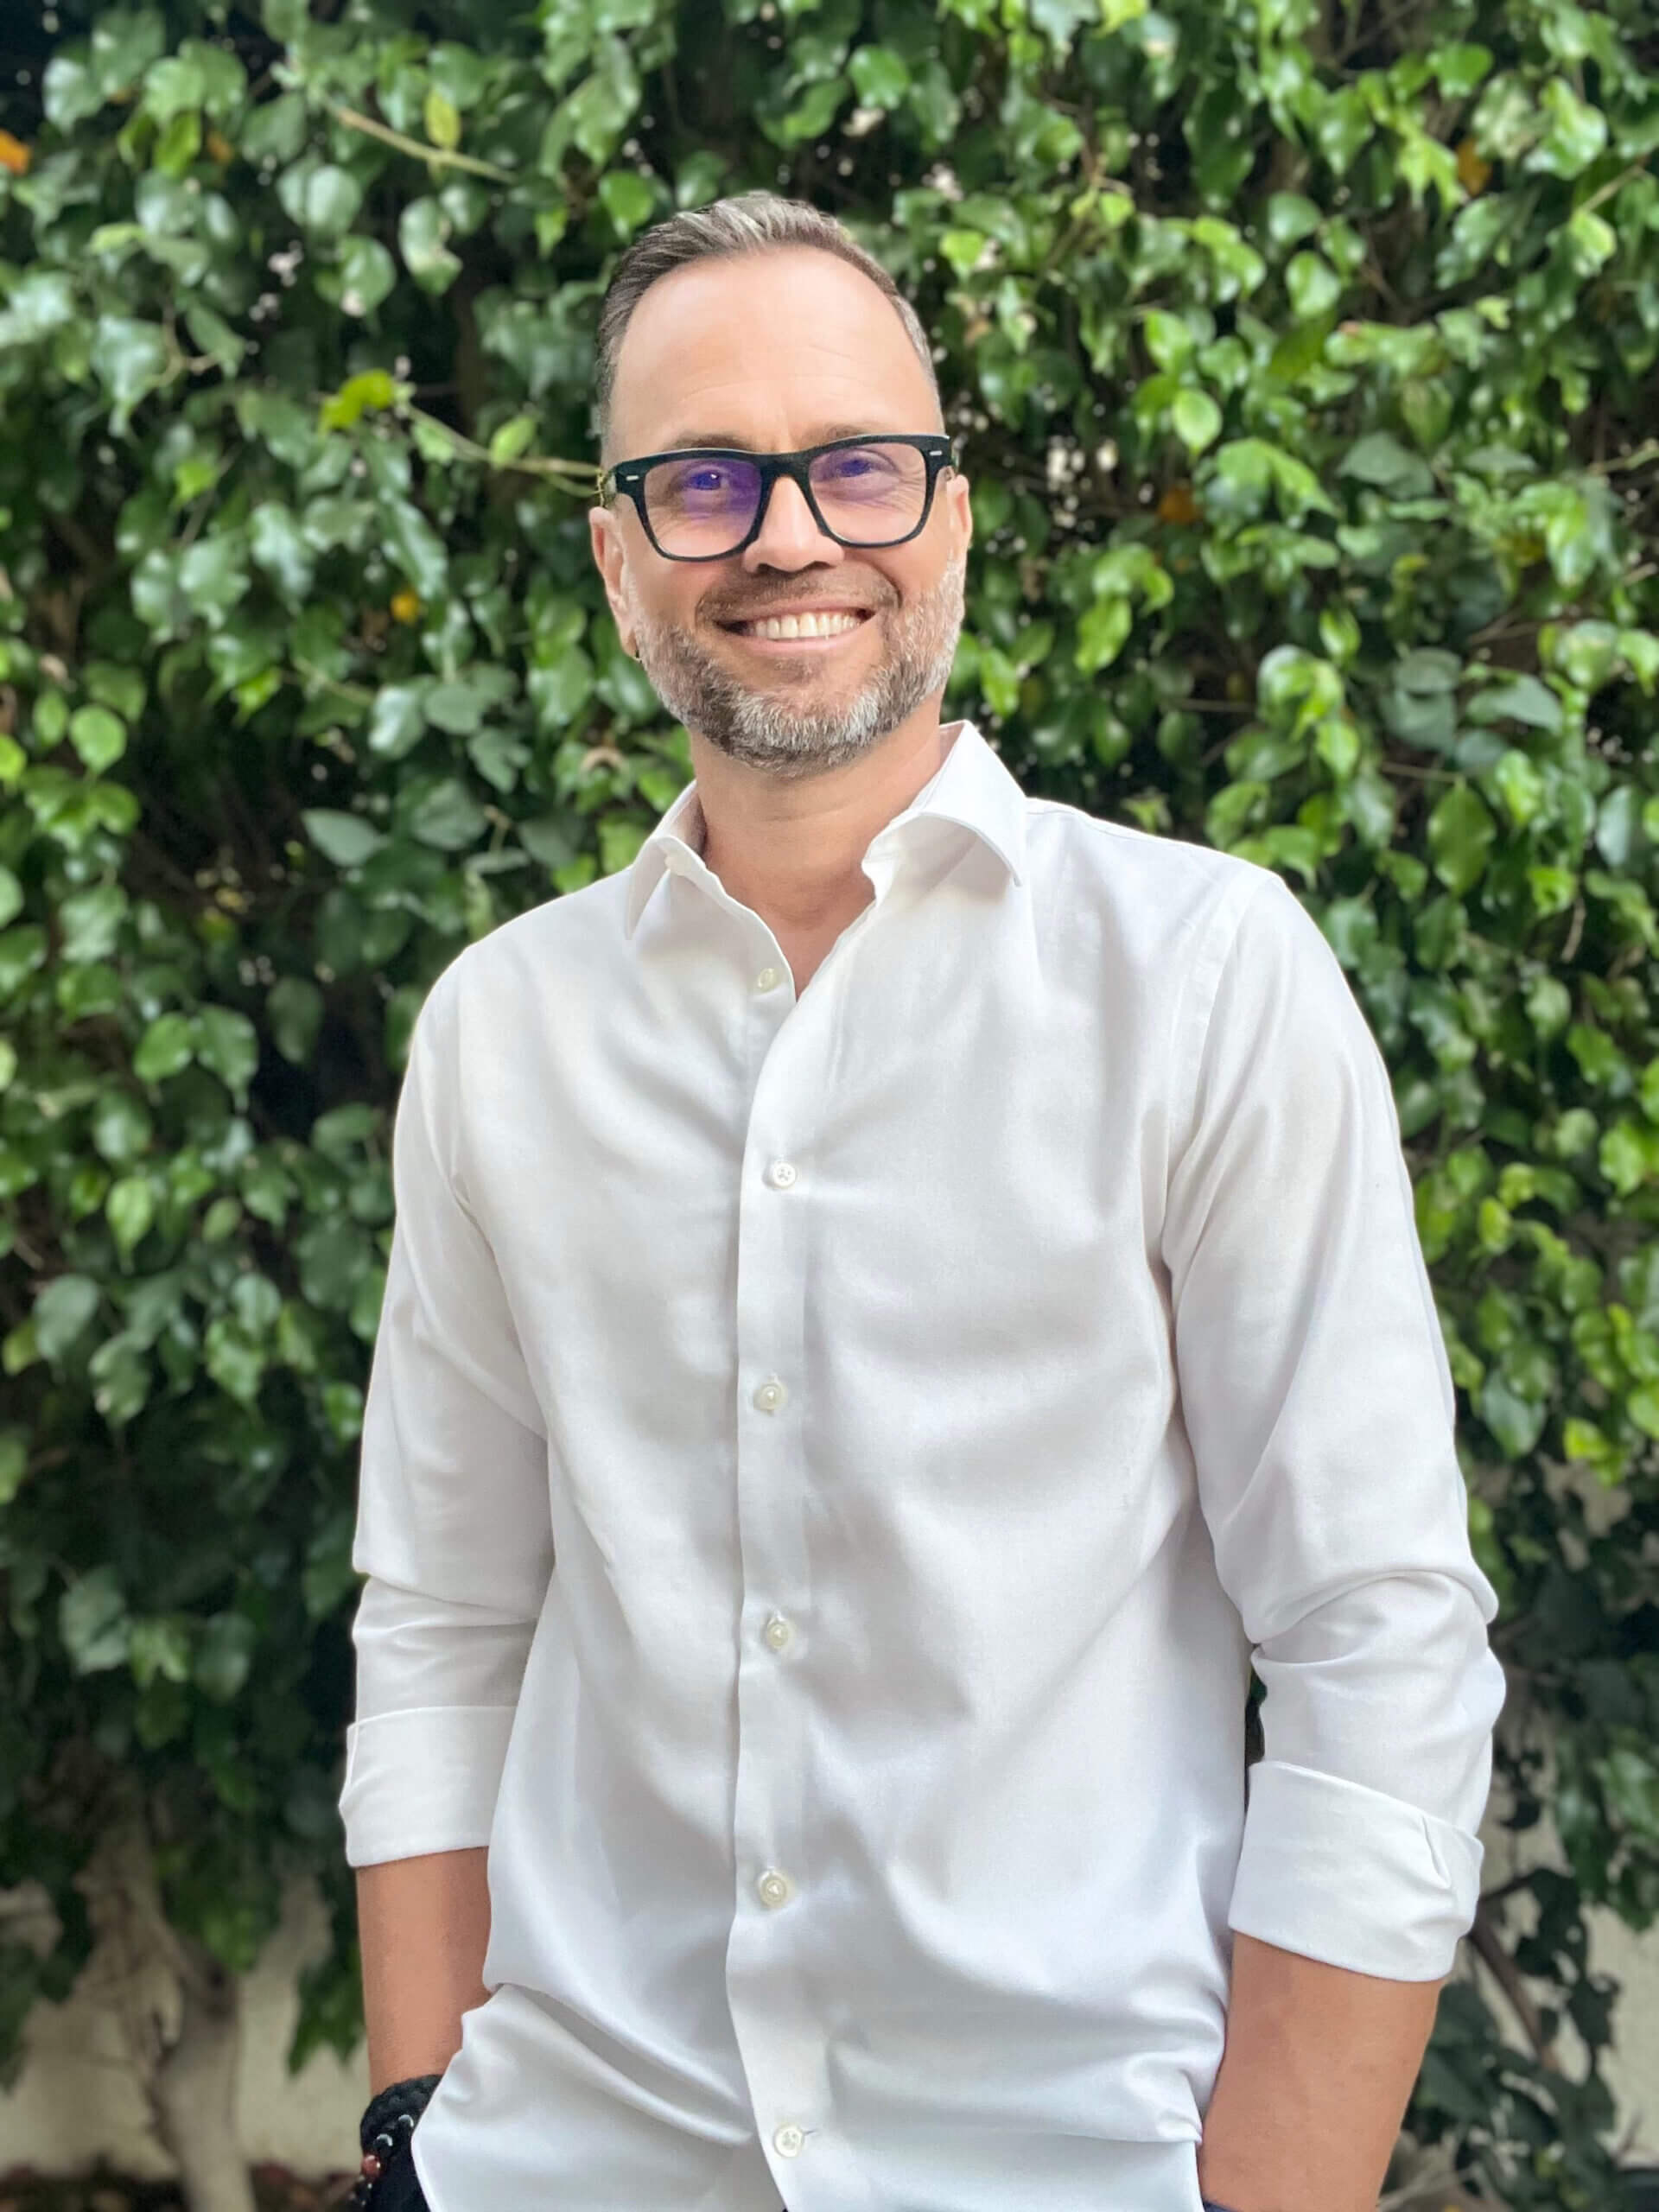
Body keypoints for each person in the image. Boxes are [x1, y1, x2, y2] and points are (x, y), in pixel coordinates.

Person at [340, 192, 1505, 2212]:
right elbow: (445, 1629)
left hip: (1073, 2167)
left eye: (858, 463)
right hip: (568, 2160)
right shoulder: (500, 1033)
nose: (790, 532)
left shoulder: (1205, 975)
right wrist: (420, 2134)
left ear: (949, 518)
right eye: (704, 479)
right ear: (620, 562)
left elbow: (1375, 1637)